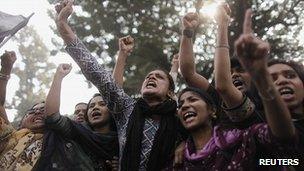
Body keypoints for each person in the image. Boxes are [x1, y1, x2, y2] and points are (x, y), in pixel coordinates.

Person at [55, 1, 184, 170]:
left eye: (159, 77)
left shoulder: (178, 117)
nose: (151, 78)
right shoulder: (128, 109)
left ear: (170, 92)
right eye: (148, 76)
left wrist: (183, 143)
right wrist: (63, 25)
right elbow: (96, 72)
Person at [44, 63, 119, 170]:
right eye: (91, 106)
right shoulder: (77, 132)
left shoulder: (122, 141)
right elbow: (52, 117)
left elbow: (116, 93)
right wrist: (58, 77)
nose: (95, 108)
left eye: (102, 104)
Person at [0, 51, 45, 170]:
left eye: (43, 110)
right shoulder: (9, 137)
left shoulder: (60, 142)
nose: (37, 112)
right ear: (21, 123)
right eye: (32, 112)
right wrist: (6, 69)